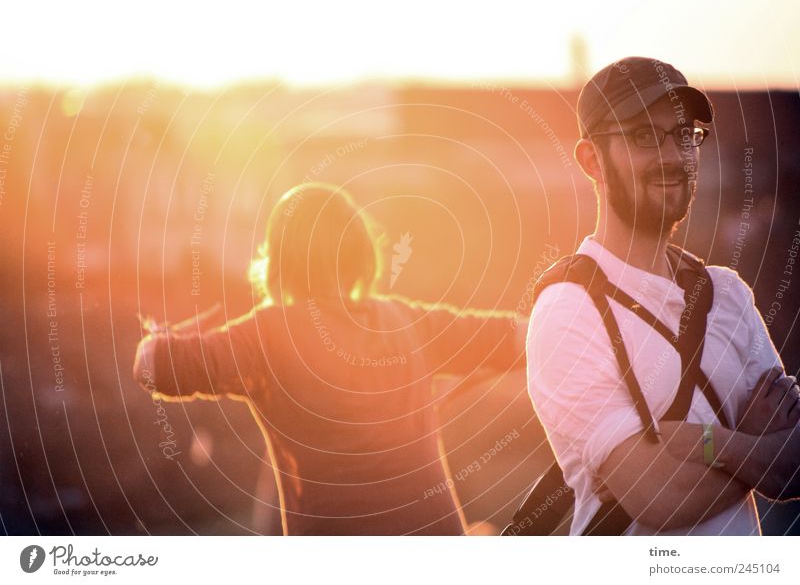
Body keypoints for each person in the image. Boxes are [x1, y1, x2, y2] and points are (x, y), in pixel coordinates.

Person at [133, 182, 526, 535]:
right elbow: (521, 335)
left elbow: (150, 368)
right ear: (360, 251)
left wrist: (164, 336)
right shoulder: (408, 320)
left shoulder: (265, 335)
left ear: (277, 260)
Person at [526, 57, 800, 535]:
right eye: (643, 136)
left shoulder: (729, 296)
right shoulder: (569, 310)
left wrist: (715, 444)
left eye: (683, 134)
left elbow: (795, 464)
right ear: (592, 160)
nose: (673, 156)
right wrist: (757, 444)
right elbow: (662, 498)